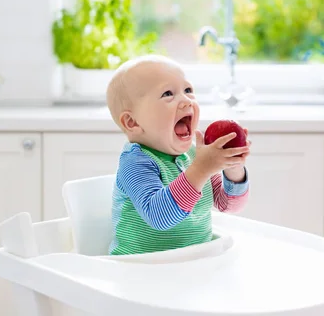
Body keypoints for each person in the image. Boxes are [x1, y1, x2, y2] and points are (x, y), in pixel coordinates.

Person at [105, 54, 251, 255]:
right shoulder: (135, 162)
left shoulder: (192, 154)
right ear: (133, 123)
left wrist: (233, 167)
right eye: (167, 94)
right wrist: (201, 169)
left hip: (195, 262)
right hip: (141, 271)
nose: (186, 100)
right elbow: (159, 217)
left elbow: (229, 205)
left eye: (188, 90)